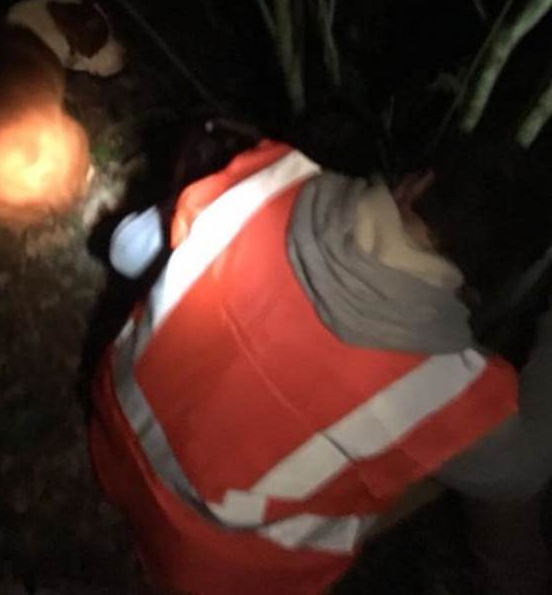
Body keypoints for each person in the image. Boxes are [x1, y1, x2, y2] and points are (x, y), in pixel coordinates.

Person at [87, 128, 552, 594]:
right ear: (483, 285)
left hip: (114, 427)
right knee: (459, 467)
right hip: (209, 564)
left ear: (417, 184)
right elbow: (524, 469)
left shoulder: (272, 174)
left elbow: (164, 233)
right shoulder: (454, 390)